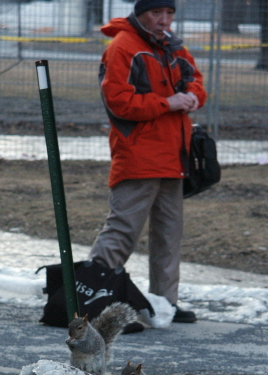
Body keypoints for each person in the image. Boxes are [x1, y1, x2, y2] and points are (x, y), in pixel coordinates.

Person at [89, 0, 207, 323]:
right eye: (157, 13)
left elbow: (195, 79)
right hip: (138, 155)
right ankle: (92, 298)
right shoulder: (123, 47)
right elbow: (118, 101)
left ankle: (164, 305)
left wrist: (194, 95)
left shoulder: (173, 47)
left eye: (169, 13)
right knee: (122, 231)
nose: (164, 20)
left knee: (169, 235)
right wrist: (168, 103)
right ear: (140, 14)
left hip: (173, 157)